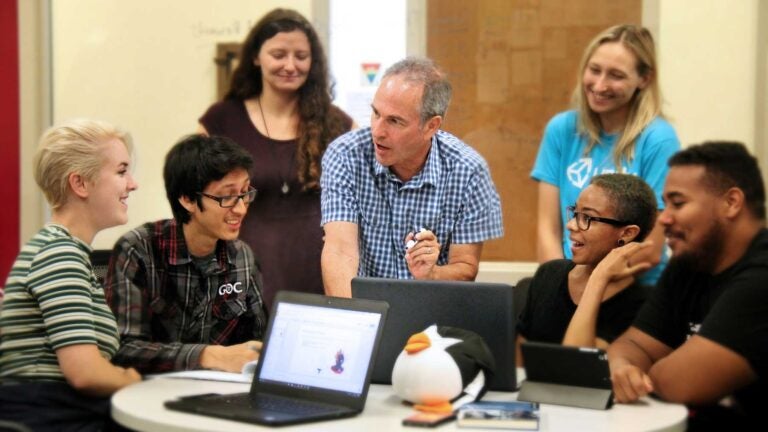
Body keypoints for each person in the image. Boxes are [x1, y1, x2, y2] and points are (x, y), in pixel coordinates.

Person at [199, 8, 353, 310]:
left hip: (319, 273)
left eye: (301, 56)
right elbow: (199, 206)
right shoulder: (220, 121)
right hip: (241, 270)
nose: (290, 65)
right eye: (279, 54)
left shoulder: (338, 125)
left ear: (314, 62)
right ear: (256, 57)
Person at [608, 142, 768, 428]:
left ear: (731, 202)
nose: (664, 219)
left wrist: (638, 374)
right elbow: (632, 344)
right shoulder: (690, 261)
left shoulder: (761, 275)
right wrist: (621, 367)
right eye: (664, 204)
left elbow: (681, 383)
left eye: (678, 203)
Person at [0, 119, 141, 430]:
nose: (132, 183)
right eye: (121, 171)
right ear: (80, 184)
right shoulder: (59, 254)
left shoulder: (62, 250)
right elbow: (85, 373)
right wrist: (132, 380)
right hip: (48, 416)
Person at [321, 57, 504, 297]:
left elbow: (466, 267)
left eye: (394, 121)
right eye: (376, 113)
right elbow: (339, 252)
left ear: (431, 126)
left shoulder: (468, 171)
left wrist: (432, 274)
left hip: (433, 316)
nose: (377, 131)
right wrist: (355, 322)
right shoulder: (345, 155)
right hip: (364, 308)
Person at [104, 134, 267, 374]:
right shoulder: (138, 250)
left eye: (244, 193)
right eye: (227, 197)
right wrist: (208, 355)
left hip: (221, 395)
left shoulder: (242, 257)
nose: (241, 208)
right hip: (150, 394)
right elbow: (123, 350)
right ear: (188, 199)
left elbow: (257, 344)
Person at [531, 24, 680, 285]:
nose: (600, 85)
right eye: (595, 70)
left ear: (644, 79)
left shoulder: (659, 139)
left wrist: (591, 291)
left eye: (616, 75)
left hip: (634, 289)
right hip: (569, 284)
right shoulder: (562, 129)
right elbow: (548, 229)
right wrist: (558, 289)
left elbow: (651, 248)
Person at [516, 174, 656, 364]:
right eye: (575, 213)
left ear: (627, 233)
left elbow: (575, 366)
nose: (571, 225)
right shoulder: (549, 273)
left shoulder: (642, 304)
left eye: (587, 218)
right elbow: (520, 362)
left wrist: (598, 278)